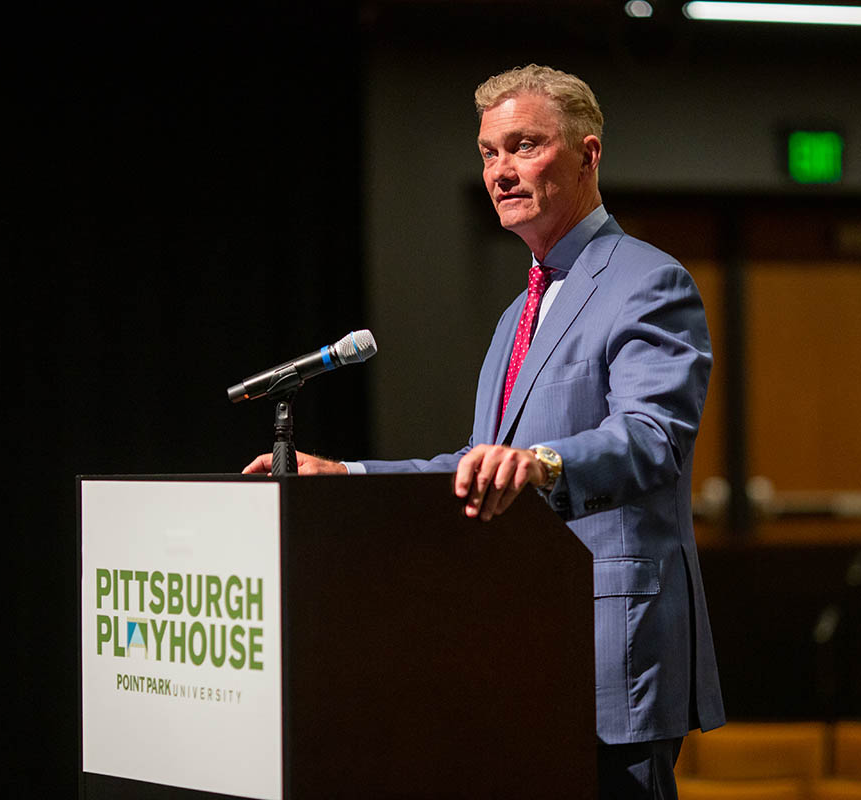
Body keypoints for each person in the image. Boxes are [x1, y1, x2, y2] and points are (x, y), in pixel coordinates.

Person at [245, 64, 724, 799]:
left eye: (524, 145)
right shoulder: (517, 316)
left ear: (588, 155)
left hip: (608, 651)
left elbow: (652, 437)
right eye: (489, 152)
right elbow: (477, 463)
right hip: (521, 644)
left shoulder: (648, 283)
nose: (500, 170)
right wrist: (348, 478)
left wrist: (539, 463)